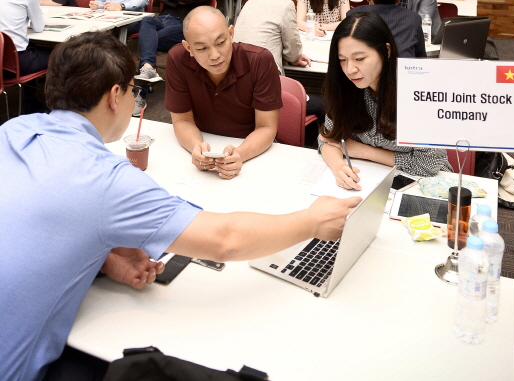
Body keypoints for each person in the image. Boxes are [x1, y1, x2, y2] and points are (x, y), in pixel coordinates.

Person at [0, 30, 359, 381]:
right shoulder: (103, 179)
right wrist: (312, 221)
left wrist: (101, 258)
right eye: (132, 90)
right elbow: (225, 239)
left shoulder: (13, 131)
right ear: (114, 96)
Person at [319, 13, 452, 188]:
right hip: (368, 179)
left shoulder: (415, 93)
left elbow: (429, 165)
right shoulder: (346, 88)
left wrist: (365, 151)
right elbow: (327, 139)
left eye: (360, 59)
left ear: (386, 51)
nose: (350, 69)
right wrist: (339, 168)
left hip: (423, 185)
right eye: (342, 60)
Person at [166, 6, 283, 178]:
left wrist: (240, 155)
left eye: (221, 43)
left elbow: (266, 127)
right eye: (201, 49)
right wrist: (195, 146)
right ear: (188, 48)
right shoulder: (177, 59)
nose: (214, 55)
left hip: (251, 150)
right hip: (204, 141)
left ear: (231, 33)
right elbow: (182, 120)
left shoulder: (260, 61)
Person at [131, 0, 214, 85]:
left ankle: (144, 77)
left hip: (180, 25)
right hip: (160, 20)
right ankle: (148, 68)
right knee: (145, 20)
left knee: (148, 39)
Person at [234, 0, 310, 74]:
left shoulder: (249, 2)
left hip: (238, 70)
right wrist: (295, 58)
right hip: (264, 75)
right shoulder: (285, 4)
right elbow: (293, 52)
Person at [347, 0, 426, 58]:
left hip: (364, 69)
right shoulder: (413, 18)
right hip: (402, 70)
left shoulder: (353, 15)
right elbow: (421, 56)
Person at [0, 0, 50, 75]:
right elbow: (38, 27)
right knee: (58, 54)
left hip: (3, 63)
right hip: (16, 63)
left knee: (31, 47)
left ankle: (29, 93)